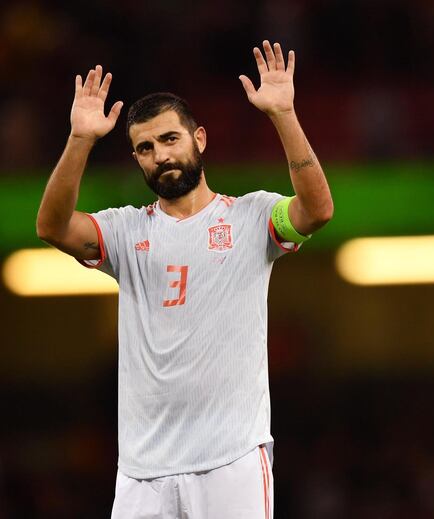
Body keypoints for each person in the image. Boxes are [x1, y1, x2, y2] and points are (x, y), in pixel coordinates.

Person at [36, 40, 333, 518]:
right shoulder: (126, 230)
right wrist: (80, 140)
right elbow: (52, 226)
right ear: (137, 159)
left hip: (230, 460)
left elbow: (317, 210)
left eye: (170, 139)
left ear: (200, 139)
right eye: (145, 148)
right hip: (142, 472)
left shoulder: (252, 217)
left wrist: (283, 113)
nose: (160, 155)